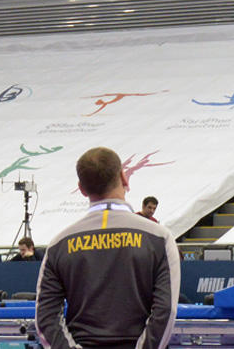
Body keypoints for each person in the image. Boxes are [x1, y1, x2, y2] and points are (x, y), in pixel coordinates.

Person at [36, 147, 179, 349]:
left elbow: (45, 317)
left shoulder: (59, 244)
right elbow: (166, 312)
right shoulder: (159, 238)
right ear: (123, 177)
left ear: (82, 188)